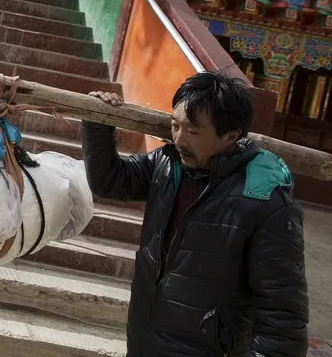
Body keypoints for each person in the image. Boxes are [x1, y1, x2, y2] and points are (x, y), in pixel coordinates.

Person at [84, 72, 308, 356]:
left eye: (193, 131)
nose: (178, 139)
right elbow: (110, 181)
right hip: (144, 338)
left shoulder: (265, 201)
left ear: (230, 136)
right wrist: (98, 124)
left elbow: (283, 315)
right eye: (175, 125)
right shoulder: (166, 165)